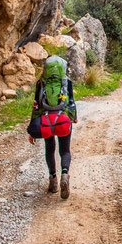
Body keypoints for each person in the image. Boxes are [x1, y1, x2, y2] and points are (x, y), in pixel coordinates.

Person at [28, 57, 77, 199]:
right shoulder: (66, 82)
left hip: (46, 121)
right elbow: (71, 102)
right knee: (65, 150)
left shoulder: (41, 83)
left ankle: (53, 180)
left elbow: (36, 105)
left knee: (50, 149)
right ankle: (65, 174)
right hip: (63, 120)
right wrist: (73, 117)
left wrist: (32, 128)